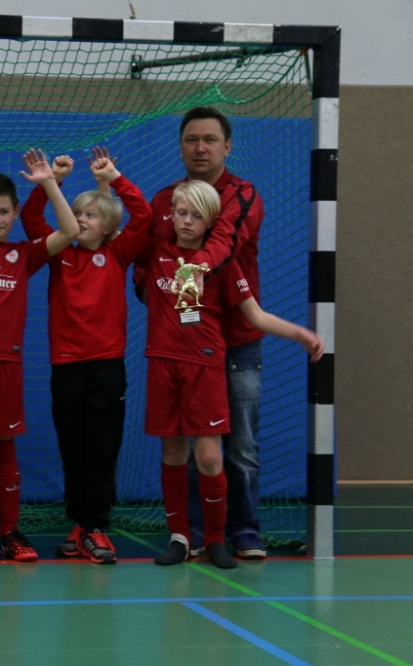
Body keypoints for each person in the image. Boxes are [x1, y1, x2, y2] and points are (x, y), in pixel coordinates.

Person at [139, 180, 322, 569]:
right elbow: (119, 229)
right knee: (173, 453)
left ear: (211, 222)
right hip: (162, 364)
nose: (186, 221)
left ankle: (216, 539)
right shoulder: (155, 251)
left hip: (205, 367)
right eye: (181, 213)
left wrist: (300, 334)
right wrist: (107, 184)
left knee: (208, 456)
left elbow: (255, 315)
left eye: (196, 216)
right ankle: (180, 538)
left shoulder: (222, 264)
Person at [133, 106, 268, 559]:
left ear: (227, 146)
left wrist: (192, 274)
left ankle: (242, 530)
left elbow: (226, 240)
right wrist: (161, 296)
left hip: (238, 342)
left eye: (210, 139)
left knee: (239, 446)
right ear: (180, 147)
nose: (201, 147)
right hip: (183, 348)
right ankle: (189, 532)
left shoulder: (242, 195)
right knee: (188, 447)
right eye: (192, 139)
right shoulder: (164, 200)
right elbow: (143, 260)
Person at [20, 148, 153, 565]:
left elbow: (144, 216)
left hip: (107, 368)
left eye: (90, 216)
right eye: (77, 213)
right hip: (66, 368)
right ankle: (80, 525)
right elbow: (32, 220)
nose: (80, 220)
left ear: (109, 226)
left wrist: (114, 178)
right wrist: (52, 181)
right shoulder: (60, 252)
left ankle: (95, 526)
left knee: (101, 448)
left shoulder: (117, 253)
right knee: (73, 448)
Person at [0, 150, 80, 564]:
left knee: (4, 450)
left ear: (15, 212)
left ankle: (10, 532)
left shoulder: (24, 254)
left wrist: (49, 182)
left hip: (6, 367)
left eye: (4, 212)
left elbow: (71, 229)